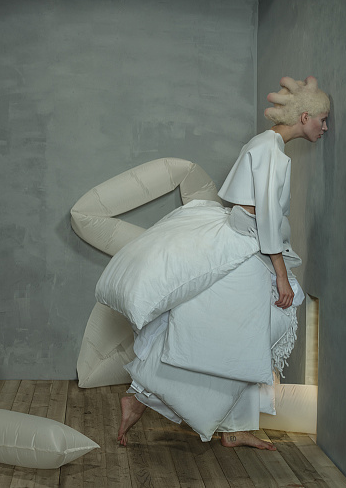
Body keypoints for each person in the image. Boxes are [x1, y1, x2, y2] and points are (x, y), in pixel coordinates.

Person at [117, 76, 330, 450]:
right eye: (322, 120)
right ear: (305, 117)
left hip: (247, 243)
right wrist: (281, 275)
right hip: (250, 246)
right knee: (233, 338)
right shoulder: (271, 152)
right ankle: (142, 398)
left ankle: (232, 427)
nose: (325, 127)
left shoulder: (265, 144)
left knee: (233, 338)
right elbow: (265, 216)